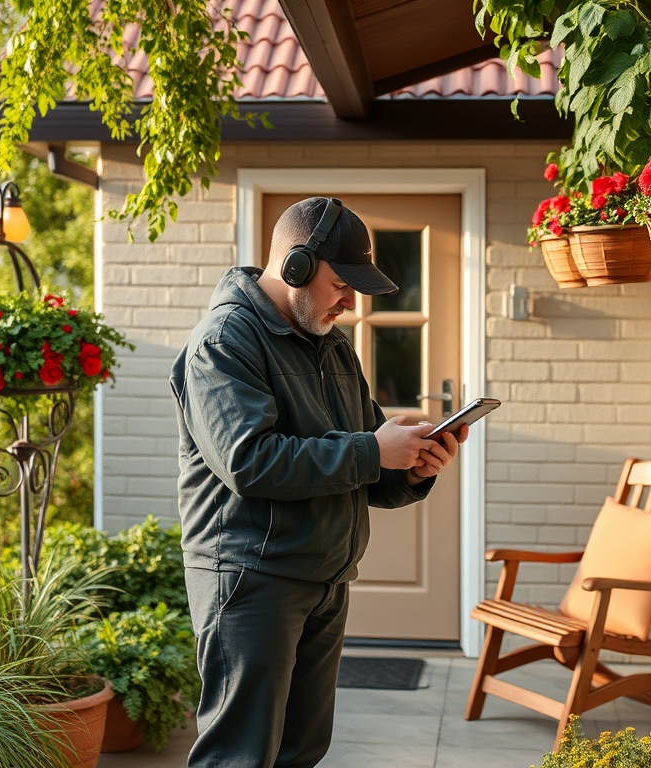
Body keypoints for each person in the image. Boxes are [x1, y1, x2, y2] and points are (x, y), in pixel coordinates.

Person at [169, 196, 466, 768]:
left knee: (301, 752)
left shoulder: (332, 346)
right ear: (296, 267)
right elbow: (249, 461)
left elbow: (364, 460)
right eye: (341, 283)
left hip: (323, 575)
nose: (350, 301)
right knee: (240, 754)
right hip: (251, 577)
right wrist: (372, 451)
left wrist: (414, 467)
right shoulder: (223, 341)